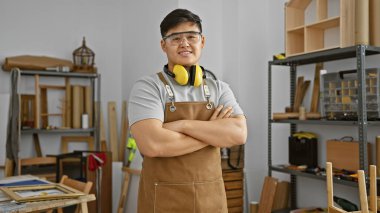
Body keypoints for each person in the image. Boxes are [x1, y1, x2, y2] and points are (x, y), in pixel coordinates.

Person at [128, 8, 247, 213]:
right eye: (175, 38)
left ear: (202, 41)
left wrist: (183, 125)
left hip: (211, 200)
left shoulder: (219, 88)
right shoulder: (148, 87)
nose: (184, 43)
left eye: (191, 36)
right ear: (163, 45)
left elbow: (239, 133)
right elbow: (153, 145)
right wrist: (213, 133)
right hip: (163, 201)